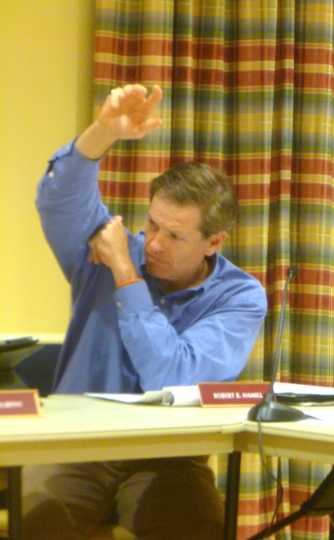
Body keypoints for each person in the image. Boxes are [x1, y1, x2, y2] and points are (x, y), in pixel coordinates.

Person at [24, 84, 267, 539]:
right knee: (37, 517)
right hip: (78, 440)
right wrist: (102, 132)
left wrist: (124, 275)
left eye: (173, 236)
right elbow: (58, 200)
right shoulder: (106, 247)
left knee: (196, 527)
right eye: (152, 223)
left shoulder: (239, 297)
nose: (152, 243)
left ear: (214, 242)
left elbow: (170, 375)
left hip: (170, 453)